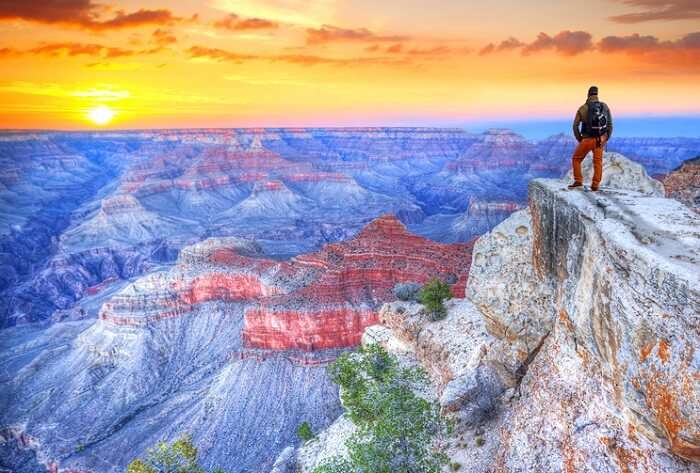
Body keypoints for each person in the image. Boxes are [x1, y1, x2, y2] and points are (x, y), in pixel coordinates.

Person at [568, 86, 613, 192]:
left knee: (576, 159)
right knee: (598, 162)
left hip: (587, 139)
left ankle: (578, 181)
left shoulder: (583, 108)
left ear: (588, 94)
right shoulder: (605, 106)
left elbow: (575, 126)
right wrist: (605, 138)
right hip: (600, 139)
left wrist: (580, 139)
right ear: (597, 94)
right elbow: (610, 124)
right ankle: (595, 185)